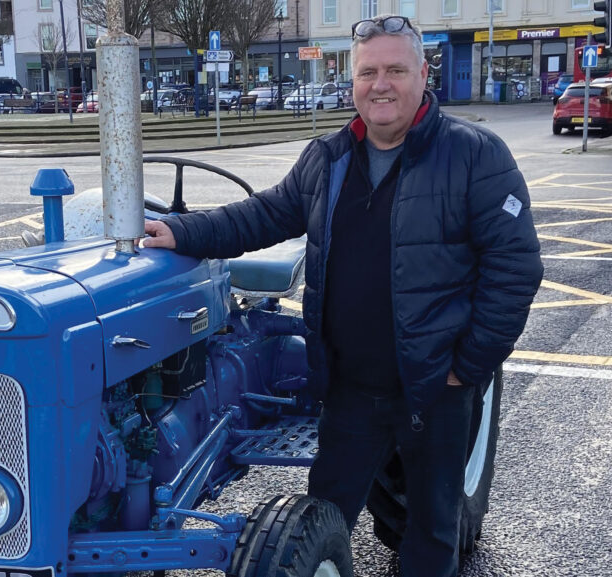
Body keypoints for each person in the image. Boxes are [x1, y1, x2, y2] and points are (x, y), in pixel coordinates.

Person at [143, 14, 542, 577]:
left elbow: (516, 269)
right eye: (368, 72)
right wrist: (184, 231)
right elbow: (263, 215)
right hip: (350, 390)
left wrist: (469, 364)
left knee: (430, 533)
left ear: (423, 75)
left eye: (395, 70)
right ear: (351, 80)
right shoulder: (327, 158)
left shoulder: (476, 156)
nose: (381, 84)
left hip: (433, 391)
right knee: (320, 523)